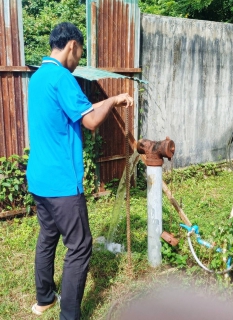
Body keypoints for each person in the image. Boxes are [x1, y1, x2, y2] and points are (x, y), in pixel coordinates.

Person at [27, 22, 133, 319]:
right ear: (72, 46)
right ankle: (69, 315)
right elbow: (90, 121)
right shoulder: (62, 78)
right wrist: (114, 99)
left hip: (39, 179)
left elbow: (77, 112)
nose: (78, 61)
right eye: (80, 53)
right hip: (62, 184)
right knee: (80, 246)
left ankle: (44, 298)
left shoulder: (37, 78)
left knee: (48, 236)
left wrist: (102, 102)